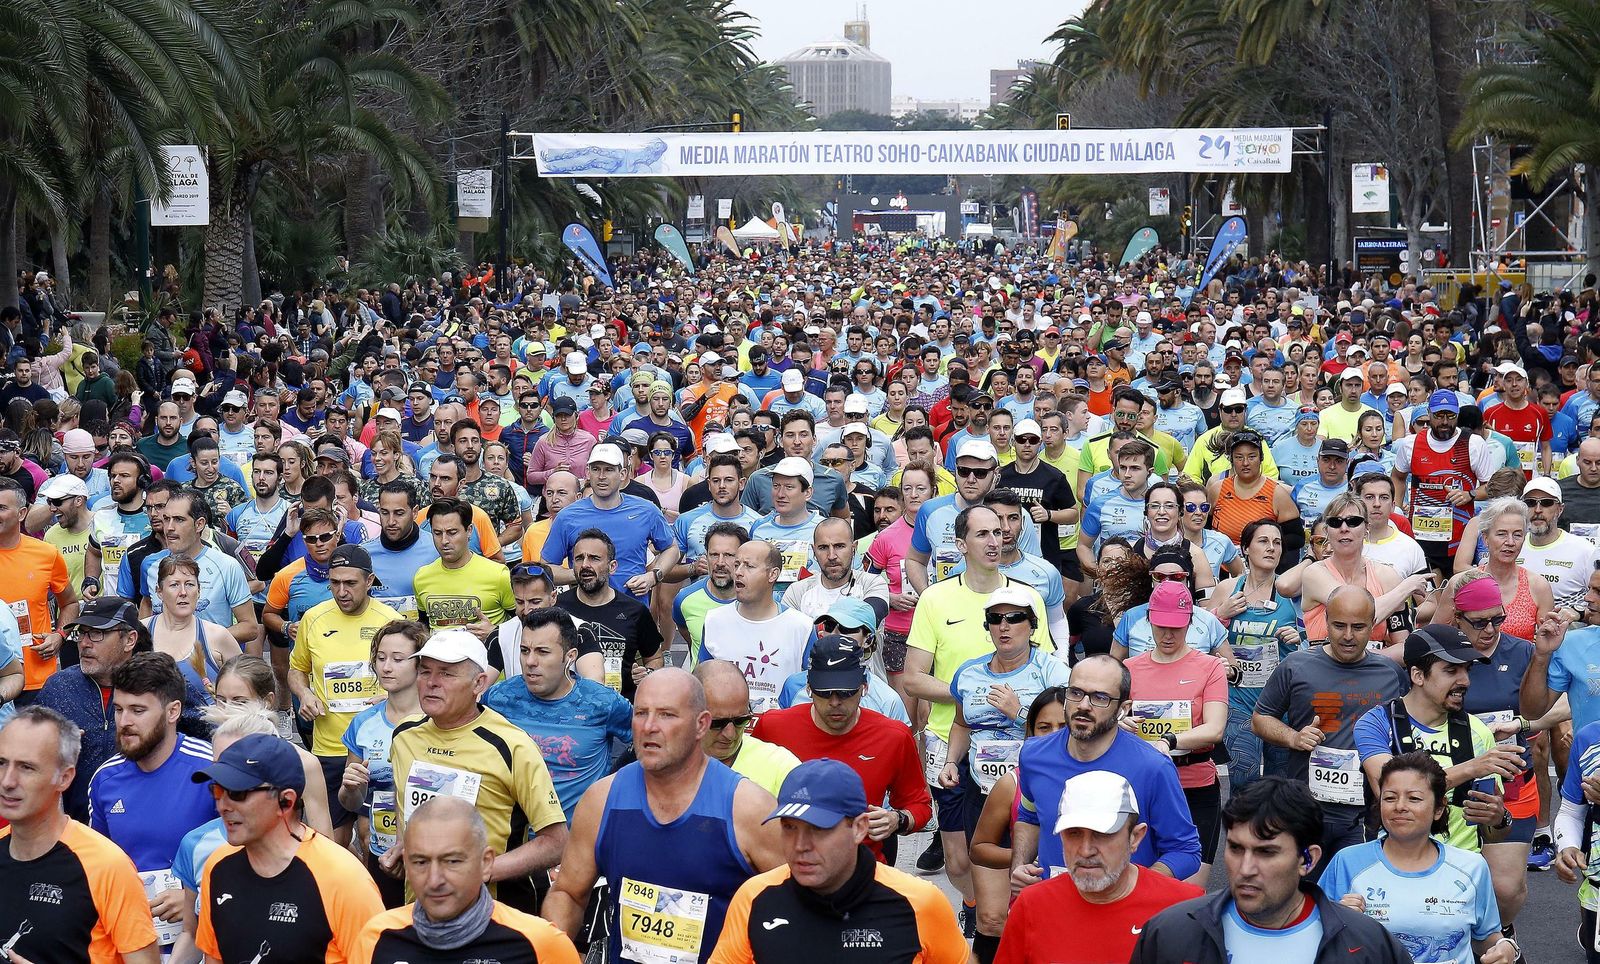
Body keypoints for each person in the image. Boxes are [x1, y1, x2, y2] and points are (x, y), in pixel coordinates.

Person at [542, 669, 787, 964]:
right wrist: (554, 953)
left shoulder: (749, 808)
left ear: (701, 724)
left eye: (667, 715)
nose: (649, 727)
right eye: (641, 713)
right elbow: (568, 893)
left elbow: (800, 906)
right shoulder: (602, 800)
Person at [904, 503, 1051, 908]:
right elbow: (913, 678)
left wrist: (1015, 707)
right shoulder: (935, 598)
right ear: (960, 543)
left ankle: (997, 915)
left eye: (999, 532)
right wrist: (972, 694)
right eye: (983, 533)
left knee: (1016, 844)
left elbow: (1048, 678)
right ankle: (974, 902)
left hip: (1018, 743)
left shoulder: (1025, 597)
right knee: (957, 860)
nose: (994, 541)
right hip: (951, 737)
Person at [708, 759, 968, 964]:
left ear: (859, 828)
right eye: (789, 827)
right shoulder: (754, 897)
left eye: (818, 829)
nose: (800, 845)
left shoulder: (920, 903)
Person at [1130, 777, 1410, 963]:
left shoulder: (1369, 946)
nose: (1246, 869)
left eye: (1266, 852)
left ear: (1308, 860)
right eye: (1236, 848)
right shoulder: (1169, 934)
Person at [386, 629, 568, 909]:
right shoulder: (404, 736)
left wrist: (477, 871)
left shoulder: (512, 745)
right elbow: (406, 814)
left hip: (493, 914)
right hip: (420, 910)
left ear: (479, 683)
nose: (431, 683)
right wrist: (404, 849)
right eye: (425, 671)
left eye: (446, 674)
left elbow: (556, 843)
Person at [935, 586, 1068, 956]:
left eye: (1014, 618)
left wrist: (1019, 712)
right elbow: (961, 724)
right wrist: (951, 761)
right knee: (992, 917)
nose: (1004, 626)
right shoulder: (969, 673)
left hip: (1038, 797)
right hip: (984, 793)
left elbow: (1070, 733)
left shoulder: (1053, 671)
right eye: (995, 619)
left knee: (1039, 907)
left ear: (1032, 625)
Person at [1252, 586, 1410, 872]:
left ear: (1373, 625)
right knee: (1302, 890)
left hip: (1364, 815)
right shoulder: (1296, 666)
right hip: (1307, 810)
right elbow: (1260, 718)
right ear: (1325, 621)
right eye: (1339, 625)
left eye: (1358, 627)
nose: (1348, 636)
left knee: (1355, 891)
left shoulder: (1390, 672)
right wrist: (1293, 737)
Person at [1012, 654, 1202, 887]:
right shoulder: (1033, 755)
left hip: (1125, 907)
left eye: (1100, 697)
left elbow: (1185, 850)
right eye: (1076, 693)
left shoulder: (1153, 767)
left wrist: (1135, 891)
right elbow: (1030, 818)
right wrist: (1019, 866)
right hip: (1055, 902)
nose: (1083, 705)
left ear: (1123, 708)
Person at [193, 732, 384, 963]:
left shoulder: (344, 879)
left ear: (286, 801)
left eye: (237, 793)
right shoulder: (218, 866)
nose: (222, 805)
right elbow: (214, 957)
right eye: (217, 791)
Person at [0, 705, 161, 964]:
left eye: (27, 767)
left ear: (64, 778)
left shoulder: (106, 866)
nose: (8, 781)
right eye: (1, 763)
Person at [1322, 752, 1516, 964]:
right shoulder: (1347, 862)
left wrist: (1505, 947)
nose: (1400, 806)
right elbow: (1312, 936)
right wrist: (1338, 921)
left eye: (1414, 798)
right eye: (1390, 798)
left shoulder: (1471, 867)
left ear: (1439, 808)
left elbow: (1486, 938)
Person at [995, 770, 1204, 964]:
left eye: (1103, 834)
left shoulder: (1186, 908)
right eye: (1074, 833)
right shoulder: (1031, 905)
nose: (1086, 850)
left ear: (1135, 837)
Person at [87, 650, 218, 955]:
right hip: (129, 943)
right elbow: (98, 867)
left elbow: (251, 858)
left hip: (203, 942)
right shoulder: (105, 780)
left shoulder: (212, 769)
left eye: (137, 710)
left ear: (173, 712)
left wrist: (195, 898)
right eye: (118, 709)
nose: (124, 722)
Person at [38, 596, 209, 820]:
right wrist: (50, 743)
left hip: (152, 820)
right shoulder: (59, 688)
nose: (84, 643)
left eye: (96, 633)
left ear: (130, 640)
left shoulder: (160, 682)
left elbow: (209, 740)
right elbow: (29, 749)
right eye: (81, 633)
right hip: (79, 827)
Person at [353, 797, 581, 964]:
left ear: (486, 863)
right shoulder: (377, 938)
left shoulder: (540, 945)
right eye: (420, 862)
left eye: (452, 861)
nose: (434, 880)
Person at [1352, 624, 1519, 853]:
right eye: (1451, 670)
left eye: (1467, 669)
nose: (1465, 681)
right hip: (1392, 864)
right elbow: (1390, 788)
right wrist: (1471, 768)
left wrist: (1499, 819)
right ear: (1418, 675)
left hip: (1459, 866)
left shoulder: (1478, 732)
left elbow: (1493, 835)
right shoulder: (1377, 723)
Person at [288, 544, 403, 846]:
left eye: (350, 583)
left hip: (376, 748)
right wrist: (305, 693)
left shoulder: (391, 621)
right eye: (334, 583)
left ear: (369, 581)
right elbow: (296, 670)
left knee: (371, 838)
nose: (341, 592)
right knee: (331, 843)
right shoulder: (314, 618)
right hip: (330, 747)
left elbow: (413, 676)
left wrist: (393, 697)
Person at [1123, 581, 1229, 884]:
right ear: (1148, 620)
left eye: (1177, 627)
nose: (1168, 635)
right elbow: (1109, 720)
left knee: (1189, 893)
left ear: (1190, 623)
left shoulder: (1210, 667)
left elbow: (1215, 728)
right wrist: (1121, 723)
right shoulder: (1128, 668)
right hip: (1143, 786)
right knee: (1142, 885)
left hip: (1195, 785)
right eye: (1161, 626)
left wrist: (1169, 741)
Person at [485, 607, 632, 819]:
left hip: (578, 834)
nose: (530, 661)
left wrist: (616, 782)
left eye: (542, 652)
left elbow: (646, 739)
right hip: (513, 833)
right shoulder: (498, 698)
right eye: (524, 650)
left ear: (570, 656)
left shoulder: (602, 702)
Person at [335, 618, 424, 908]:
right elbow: (352, 803)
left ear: (420, 664)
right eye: (381, 658)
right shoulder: (363, 723)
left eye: (398, 659)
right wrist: (350, 788)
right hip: (382, 855)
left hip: (430, 857)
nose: (386, 667)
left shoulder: (437, 720)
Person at [1207, 519, 1300, 792]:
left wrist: (1300, 637)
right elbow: (1201, 639)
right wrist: (1220, 614)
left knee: (1279, 785)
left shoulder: (1292, 592)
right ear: (1245, 548)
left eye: (1277, 543)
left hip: (1281, 703)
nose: (1271, 548)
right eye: (1263, 541)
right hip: (1238, 700)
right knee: (1243, 780)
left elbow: (1316, 639)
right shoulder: (1227, 589)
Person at [699, 540, 817, 712]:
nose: (738, 572)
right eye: (737, 564)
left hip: (779, 725)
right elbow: (703, 682)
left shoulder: (801, 627)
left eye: (749, 566)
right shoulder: (714, 620)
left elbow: (812, 688)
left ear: (772, 574)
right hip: (727, 725)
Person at [558, 528, 664, 698]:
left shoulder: (635, 611)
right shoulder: (557, 608)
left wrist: (648, 673)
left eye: (594, 558)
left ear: (612, 566)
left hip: (621, 708)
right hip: (568, 708)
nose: (585, 565)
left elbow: (654, 658)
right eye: (579, 558)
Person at [0, 477, 79, 697]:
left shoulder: (46, 554)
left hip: (37, 679)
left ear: (22, 513)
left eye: (1, 508)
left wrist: (60, 635)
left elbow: (70, 603)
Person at [695, 659, 801, 797]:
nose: (730, 734)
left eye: (741, 721)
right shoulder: (669, 763)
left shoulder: (781, 766)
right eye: (717, 723)